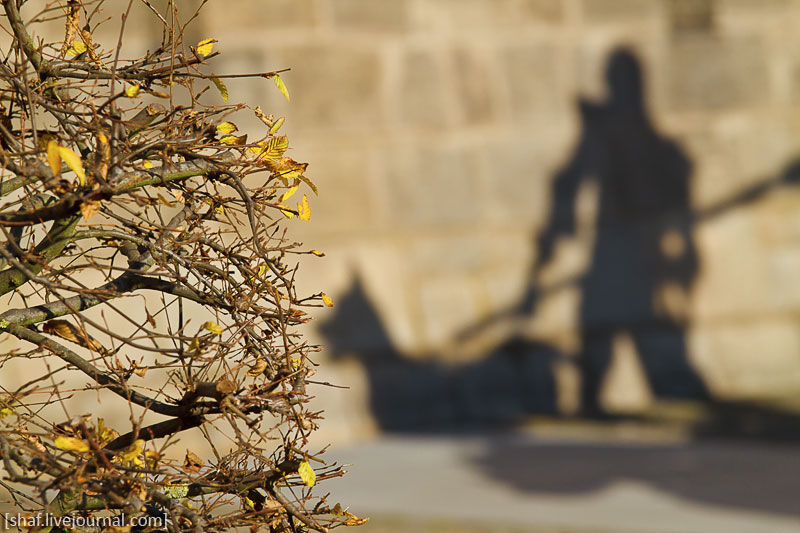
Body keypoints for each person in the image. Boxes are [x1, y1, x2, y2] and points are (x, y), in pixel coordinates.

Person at [532, 48, 710, 415]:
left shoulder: (658, 148)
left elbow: (679, 211)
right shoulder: (604, 134)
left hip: (642, 265)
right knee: (598, 355)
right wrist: (548, 247)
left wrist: (681, 261)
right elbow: (568, 184)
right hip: (612, 262)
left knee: (662, 360)